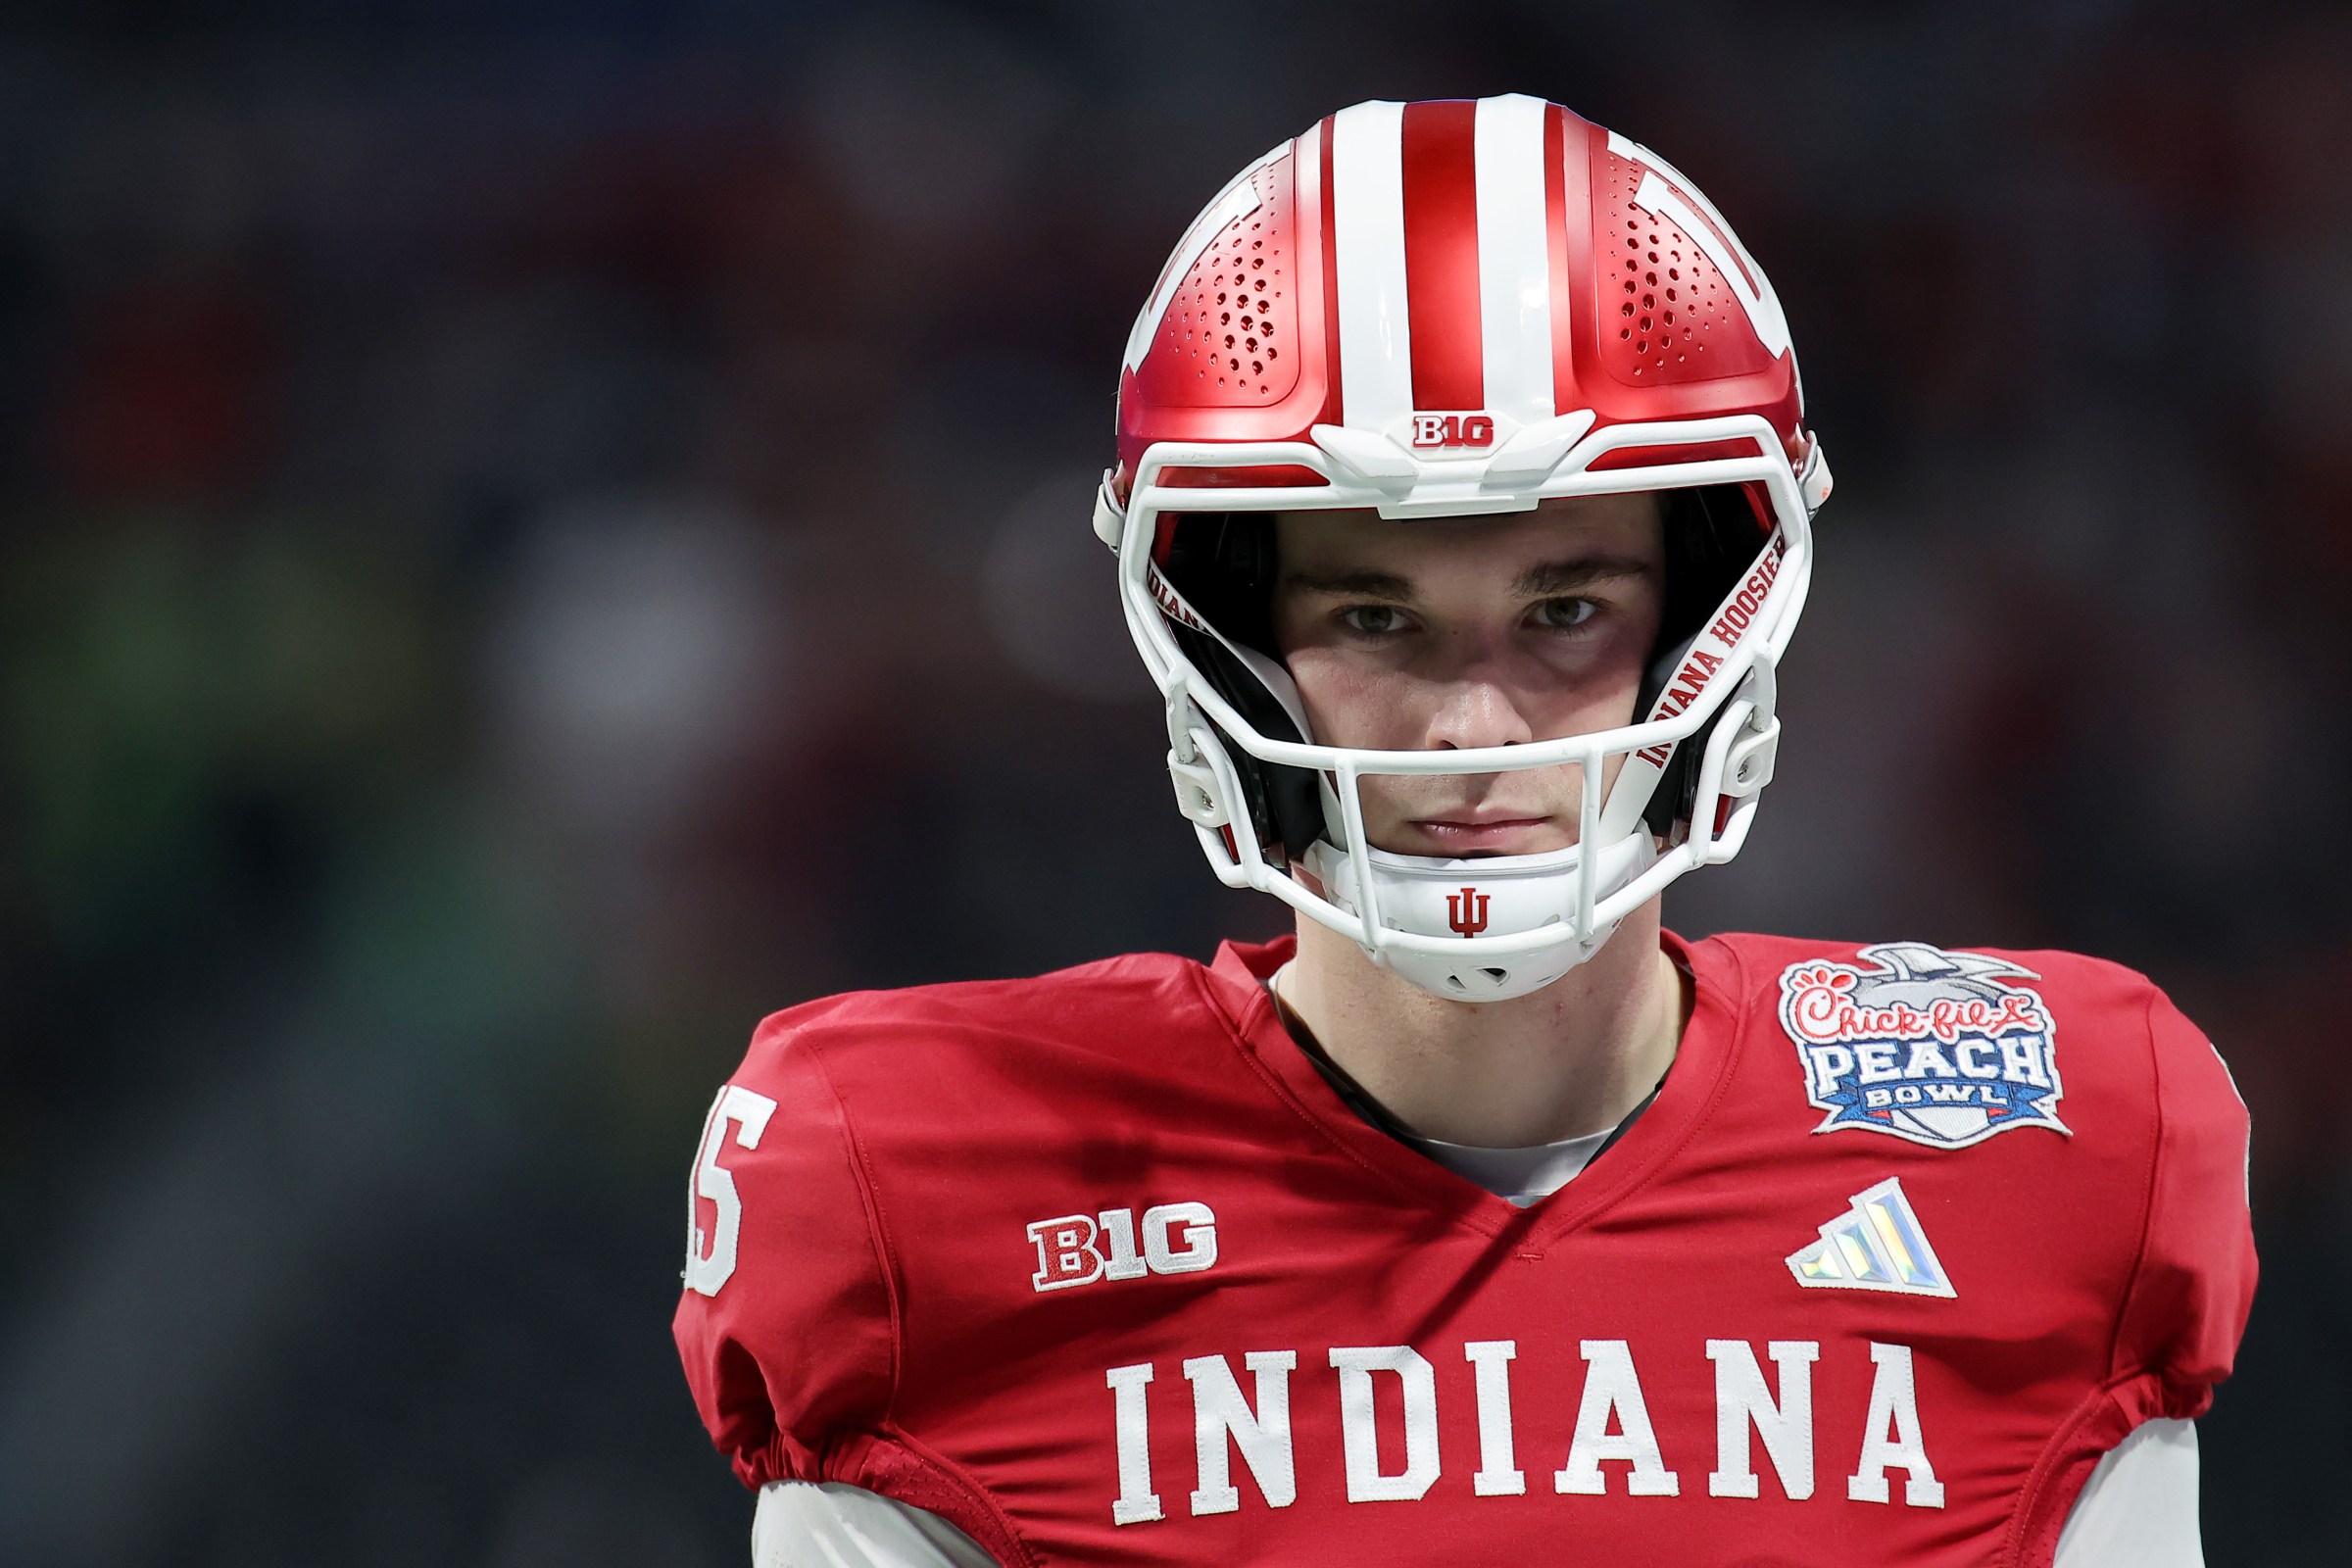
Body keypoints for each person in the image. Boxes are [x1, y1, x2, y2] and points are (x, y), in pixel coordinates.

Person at [673, 95, 2255, 1567]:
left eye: (1564, 609)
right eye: (1378, 616)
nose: (1472, 727)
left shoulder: (2056, 1151)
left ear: (1705, 622)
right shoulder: (913, 1190)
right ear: (1226, 638)